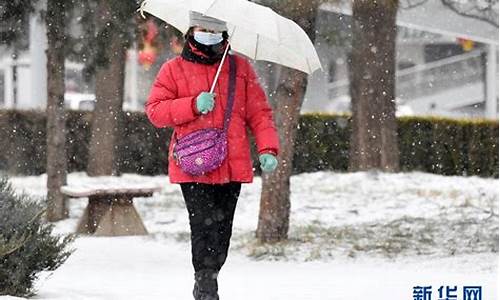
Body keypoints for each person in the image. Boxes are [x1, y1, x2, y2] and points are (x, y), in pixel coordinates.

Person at [145, 11, 280, 300]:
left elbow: (260, 114)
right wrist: (192, 105)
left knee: (221, 230)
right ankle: (206, 285)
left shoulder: (240, 69)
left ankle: (210, 275)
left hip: (232, 164)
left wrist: (268, 148)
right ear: (191, 30)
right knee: (203, 225)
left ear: (224, 34)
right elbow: (156, 111)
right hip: (193, 166)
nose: (208, 34)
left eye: (214, 30)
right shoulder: (173, 69)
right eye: (202, 28)